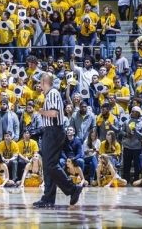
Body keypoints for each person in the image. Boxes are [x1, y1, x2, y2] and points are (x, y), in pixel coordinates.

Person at [34, 72, 82, 208]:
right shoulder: (49, 94)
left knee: (50, 164)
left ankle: (73, 188)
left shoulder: (53, 93)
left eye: (40, 82)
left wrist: (41, 112)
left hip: (54, 131)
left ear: (43, 82)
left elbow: (54, 113)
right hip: (50, 131)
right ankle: (48, 198)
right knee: (48, 165)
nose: (38, 84)